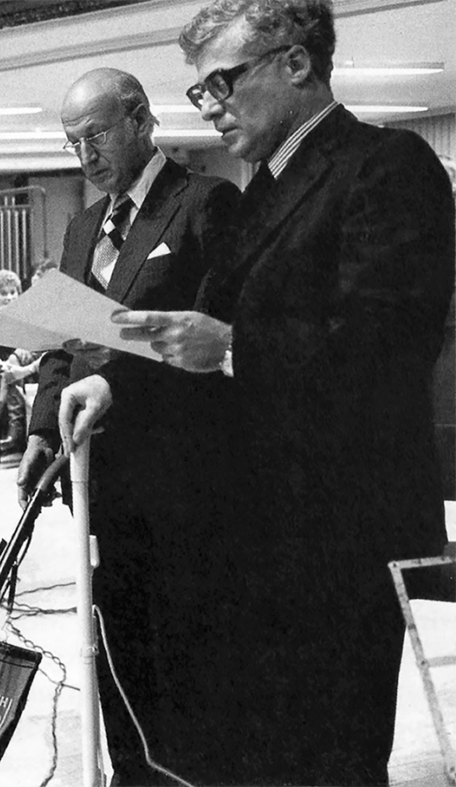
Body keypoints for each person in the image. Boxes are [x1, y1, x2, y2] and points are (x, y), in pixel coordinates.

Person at [64, 2, 456, 784]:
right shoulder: (264, 190)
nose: (207, 107)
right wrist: (113, 381)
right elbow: (197, 322)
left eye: (221, 83)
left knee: (330, 761)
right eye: (199, 92)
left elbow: (387, 347)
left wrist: (237, 348)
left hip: (339, 538)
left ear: (296, 63)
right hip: (252, 541)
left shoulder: (388, 165)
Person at [16, 68, 239, 785]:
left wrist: (115, 382)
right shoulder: (83, 227)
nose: (84, 153)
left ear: (141, 120)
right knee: (116, 640)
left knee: (185, 648)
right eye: (71, 141)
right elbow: (63, 339)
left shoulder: (206, 203)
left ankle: (188, 771)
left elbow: (215, 336)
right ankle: (132, 770)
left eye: (96, 134)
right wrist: (41, 427)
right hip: (99, 479)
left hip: (184, 481)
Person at [0, 270, 40, 464]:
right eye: (4, 293)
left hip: (16, 368)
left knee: (0, 380)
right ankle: (12, 428)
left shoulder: (26, 317)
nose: (9, 297)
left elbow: (31, 347)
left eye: (13, 292)